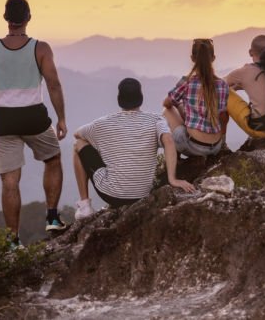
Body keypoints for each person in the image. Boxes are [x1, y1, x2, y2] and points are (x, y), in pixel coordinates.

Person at [0, 0, 68, 249]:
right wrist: (61, 118)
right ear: (28, 18)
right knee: (53, 159)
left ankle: (13, 241)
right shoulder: (41, 48)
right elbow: (54, 84)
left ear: (6, 18)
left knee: (10, 181)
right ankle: (52, 216)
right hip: (33, 115)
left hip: (2, 119)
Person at [73, 78, 195, 219]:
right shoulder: (156, 120)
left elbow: (77, 134)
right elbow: (168, 140)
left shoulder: (102, 123)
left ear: (119, 99)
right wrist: (172, 179)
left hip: (112, 195)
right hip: (142, 194)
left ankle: (85, 206)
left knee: (78, 145)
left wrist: (106, 141)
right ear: (141, 98)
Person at [163, 38, 230, 157]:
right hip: (215, 147)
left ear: (192, 58)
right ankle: (221, 146)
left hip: (192, 147)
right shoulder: (223, 85)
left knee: (167, 111)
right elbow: (223, 117)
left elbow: (167, 103)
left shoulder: (187, 82)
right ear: (213, 58)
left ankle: (175, 161)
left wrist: (179, 105)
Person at [225, 34, 265, 139]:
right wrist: (241, 86)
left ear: (250, 52)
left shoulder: (246, 71)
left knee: (223, 92)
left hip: (261, 131)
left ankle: (218, 143)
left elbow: (216, 84)